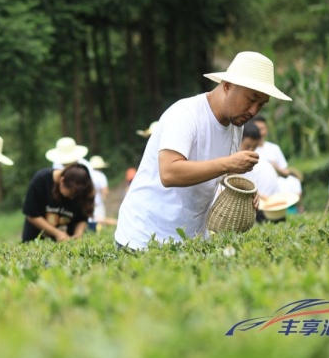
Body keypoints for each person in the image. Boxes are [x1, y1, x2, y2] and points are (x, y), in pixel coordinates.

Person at [114, 51, 292, 250]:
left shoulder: (236, 124)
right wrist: (229, 163)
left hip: (191, 240)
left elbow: (219, 170)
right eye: (251, 99)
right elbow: (169, 172)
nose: (254, 111)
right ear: (227, 86)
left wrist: (243, 189)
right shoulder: (185, 114)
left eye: (261, 104)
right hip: (144, 239)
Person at [22, 137, 95, 242]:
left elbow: (83, 216)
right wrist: (57, 233)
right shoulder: (41, 179)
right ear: (62, 181)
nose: (72, 197)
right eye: (70, 194)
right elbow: (31, 214)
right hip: (35, 241)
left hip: (66, 244)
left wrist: (78, 234)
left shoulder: (83, 180)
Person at [239, 123, 297, 223]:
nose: (251, 150)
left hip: (274, 203)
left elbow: (285, 173)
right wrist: (260, 196)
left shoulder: (266, 153)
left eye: (254, 147)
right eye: (248, 146)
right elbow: (241, 184)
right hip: (259, 207)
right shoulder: (237, 161)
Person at [251, 115, 303, 198]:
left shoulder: (274, 148)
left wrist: (276, 167)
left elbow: (286, 173)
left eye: (263, 128)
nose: (260, 132)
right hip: (258, 196)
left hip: (277, 193)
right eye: (258, 129)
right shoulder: (249, 151)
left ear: (267, 129)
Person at [88, 155, 115, 228]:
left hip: (87, 205)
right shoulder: (100, 176)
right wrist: (105, 197)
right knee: (101, 225)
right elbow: (105, 191)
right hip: (98, 205)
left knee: (90, 226)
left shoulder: (87, 175)